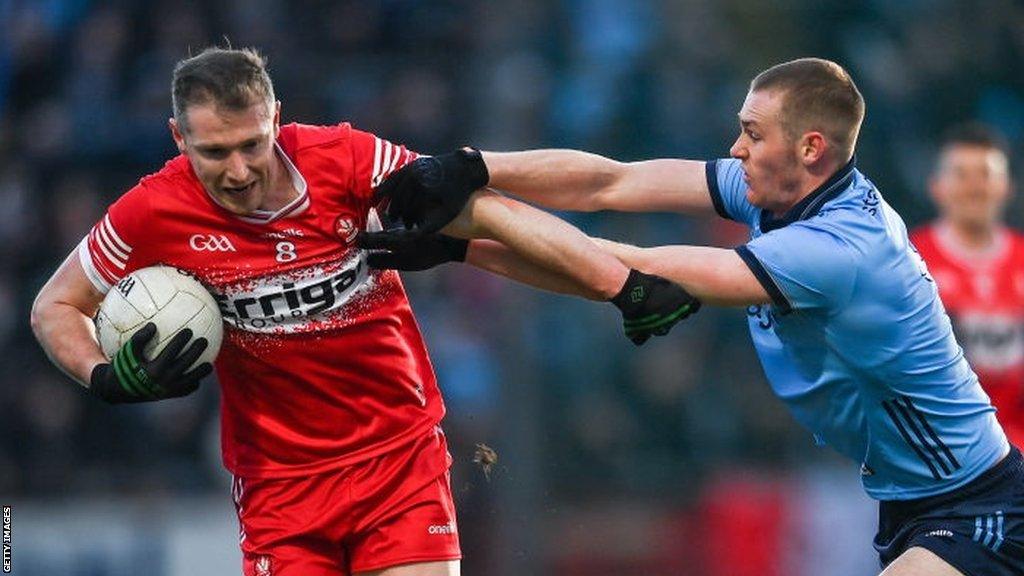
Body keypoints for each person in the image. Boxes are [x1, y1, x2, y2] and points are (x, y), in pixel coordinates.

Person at [28, 47, 698, 576]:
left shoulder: (344, 158)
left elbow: (483, 219)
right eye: (214, 152)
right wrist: (104, 376)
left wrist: (619, 286)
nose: (237, 171)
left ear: (277, 118)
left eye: (252, 144)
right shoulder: (151, 211)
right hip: (278, 485)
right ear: (178, 138)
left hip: (398, 456)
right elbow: (55, 306)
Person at [364, 58, 1024, 575]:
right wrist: (474, 166)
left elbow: (620, 267)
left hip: (980, 506)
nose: (736, 148)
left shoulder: (838, 251)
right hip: (909, 501)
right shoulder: (779, 188)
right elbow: (610, 183)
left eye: (753, 133)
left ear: (811, 148)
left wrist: (465, 225)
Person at [910, 124, 1024, 449]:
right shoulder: (909, 262)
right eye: (961, 174)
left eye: (985, 174)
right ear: (937, 187)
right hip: (941, 454)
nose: (975, 187)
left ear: (1006, 186)